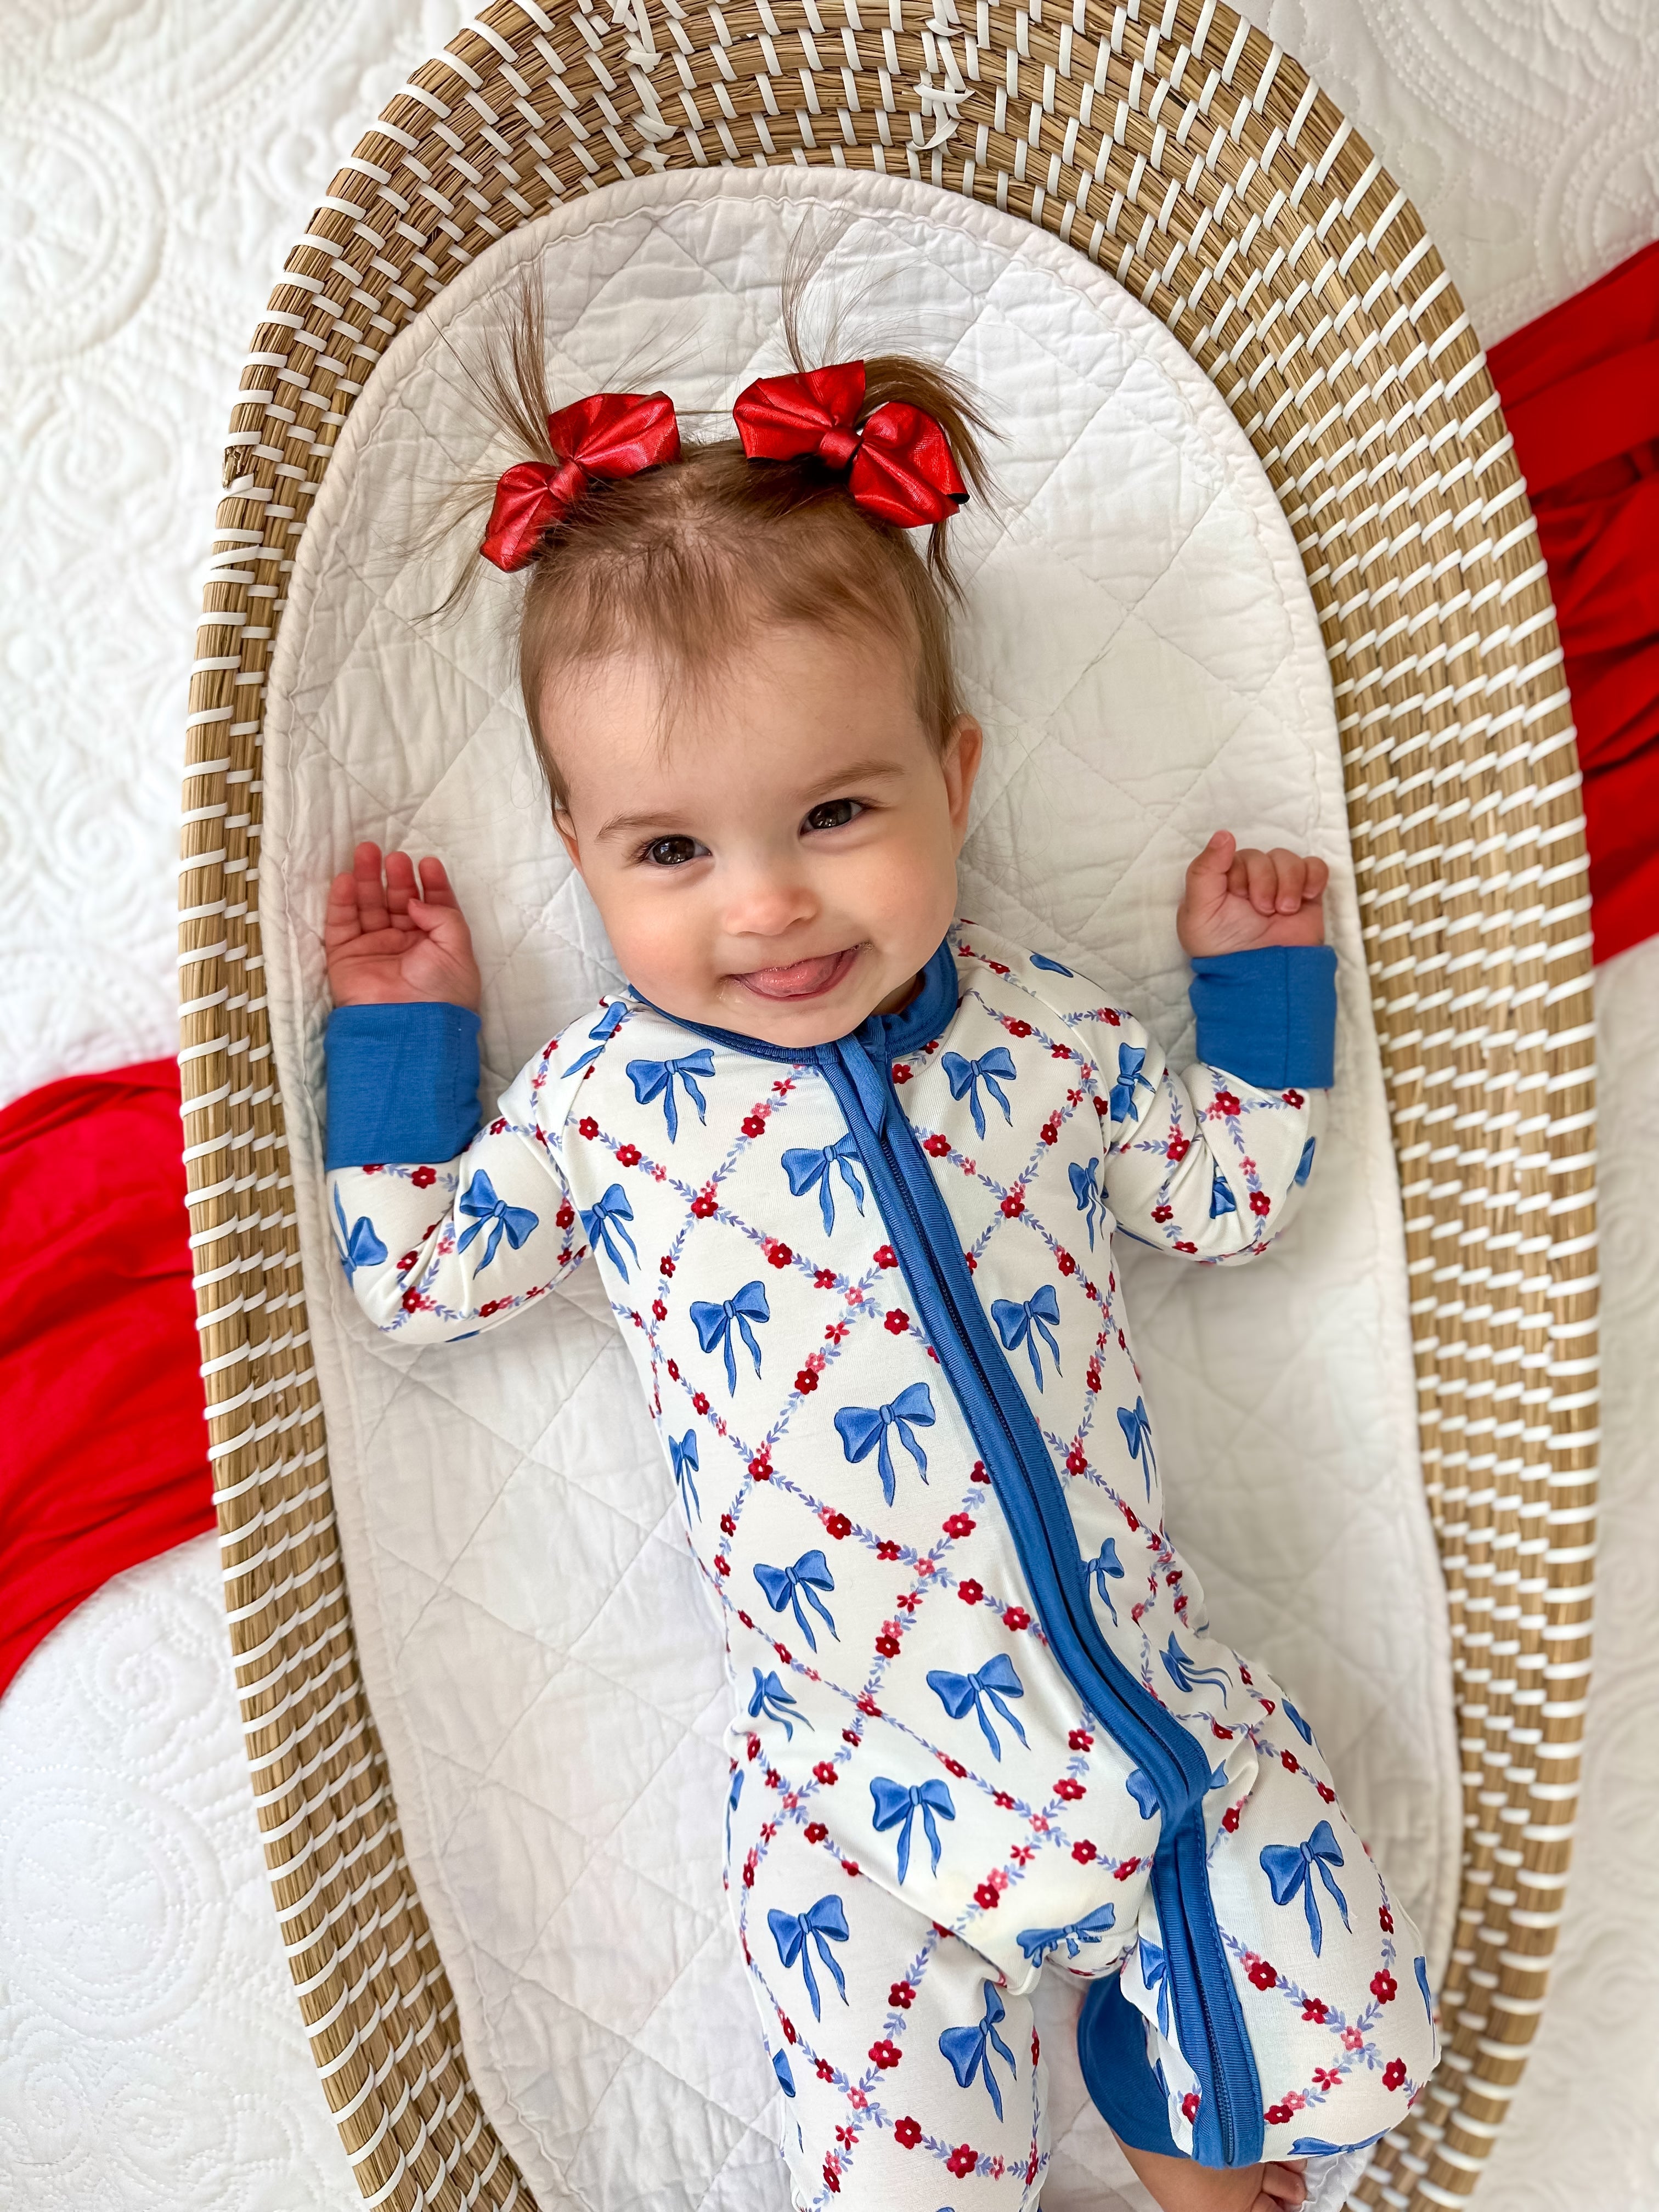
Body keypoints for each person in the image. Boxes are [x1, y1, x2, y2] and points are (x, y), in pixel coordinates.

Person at [319, 313, 1436, 2212]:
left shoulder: (1038, 1027)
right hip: (854, 1797)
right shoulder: (603, 1102)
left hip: (1152, 1732)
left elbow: (1226, 1199)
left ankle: (1175, 2113)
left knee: (1353, 2037)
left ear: (955, 775)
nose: (769, 902)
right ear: (580, 856)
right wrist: (414, 1031)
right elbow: (419, 1275)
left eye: (837, 813)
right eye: (672, 851)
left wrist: (1256, 995)